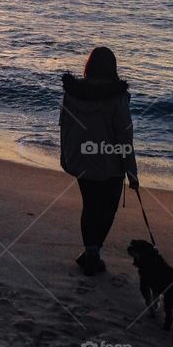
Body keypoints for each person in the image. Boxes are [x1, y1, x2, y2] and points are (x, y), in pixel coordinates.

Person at [59, 47, 138, 276]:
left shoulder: (73, 92)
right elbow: (124, 135)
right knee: (108, 209)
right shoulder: (117, 97)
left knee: (90, 206)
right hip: (110, 163)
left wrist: (68, 156)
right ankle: (93, 253)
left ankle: (91, 253)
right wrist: (131, 172)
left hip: (82, 160)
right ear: (112, 68)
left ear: (89, 66)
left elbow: (65, 126)